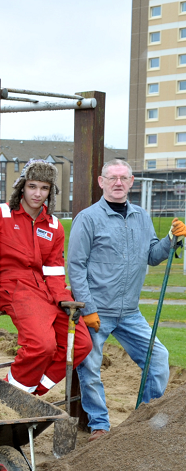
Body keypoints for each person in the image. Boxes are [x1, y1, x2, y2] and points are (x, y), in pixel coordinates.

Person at [67, 159, 185, 441]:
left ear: (132, 182)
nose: (118, 183)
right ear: (101, 181)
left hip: (130, 312)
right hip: (97, 311)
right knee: (90, 367)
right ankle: (100, 425)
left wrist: (170, 239)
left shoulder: (142, 217)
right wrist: (88, 308)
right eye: (112, 178)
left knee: (158, 359)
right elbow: (76, 267)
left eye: (123, 178)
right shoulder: (88, 218)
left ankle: (142, 419)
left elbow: (153, 256)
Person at [0, 159, 93, 395]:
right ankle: (8, 398)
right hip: (12, 286)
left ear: (51, 191)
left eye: (44, 188)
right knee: (42, 345)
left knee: (81, 343)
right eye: (32, 186)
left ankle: (30, 392)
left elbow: (54, 268)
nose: (38, 194)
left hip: (46, 290)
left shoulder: (54, 225)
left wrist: (62, 299)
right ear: (22, 187)